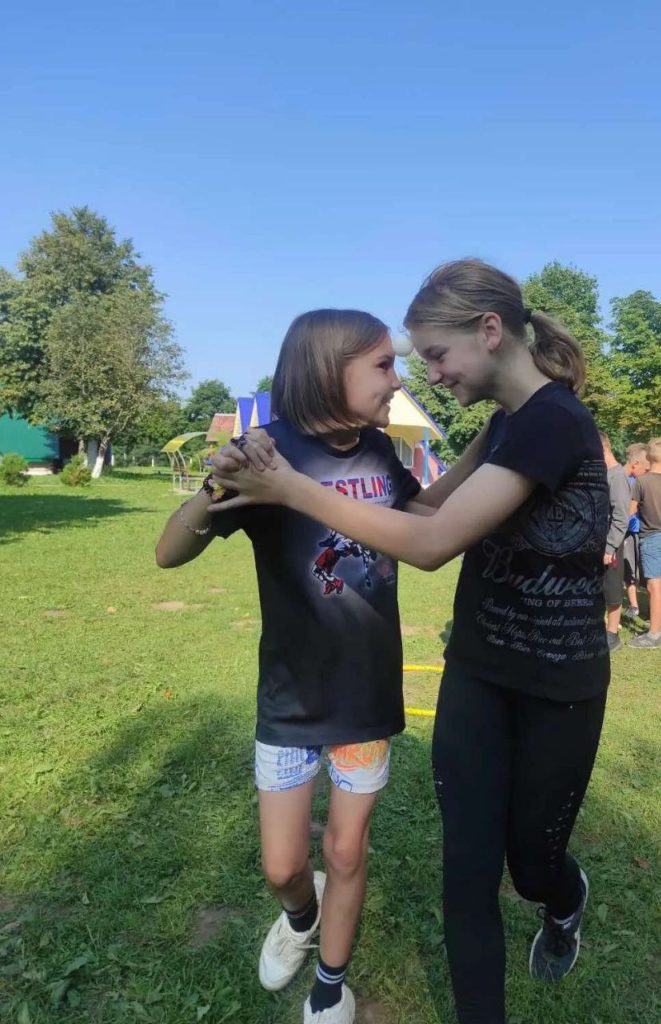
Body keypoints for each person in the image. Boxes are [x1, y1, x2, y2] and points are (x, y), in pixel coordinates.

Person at [210, 259, 611, 1024]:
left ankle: (563, 897)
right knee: (466, 875)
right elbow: (423, 516)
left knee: (531, 864)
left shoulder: (555, 422)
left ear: (489, 332)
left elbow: (430, 543)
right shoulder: (503, 426)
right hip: (477, 675)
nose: (424, 374)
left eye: (434, 354)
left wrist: (294, 489)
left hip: (559, 687)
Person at [155, 309, 429, 1024]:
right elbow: (169, 554)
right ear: (328, 371)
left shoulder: (378, 449)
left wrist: (497, 445)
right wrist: (211, 489)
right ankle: (301, 918)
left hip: (366, 694)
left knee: (346, 850)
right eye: (383, 365)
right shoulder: (265, 452)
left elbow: (426, 516)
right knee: (282, 866)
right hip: (290, 697)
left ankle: (331, 985)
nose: (397, 380)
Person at [627, 438, 661, 648]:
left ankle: (653, 634)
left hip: (650, 537)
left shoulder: (642, 481)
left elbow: (630, 511)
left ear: (648, 457)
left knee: (653, 585)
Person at [600, 432, 631, 652]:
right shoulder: (603, 473)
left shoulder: (617, 476)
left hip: (611, 543)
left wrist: (610, 547)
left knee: (612, 588)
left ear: (603, 449)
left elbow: (621, 516)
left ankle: (612, 634)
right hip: (598, 541)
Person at [622, 443, 649, 620]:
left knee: (647, 570)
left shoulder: (644, 481)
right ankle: (634, 605)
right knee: (629, 569)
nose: (647, 472)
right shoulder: (621, 480)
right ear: (636, 463)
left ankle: (652, 607)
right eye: (646, 469)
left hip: (645, 530)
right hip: (628, 532)